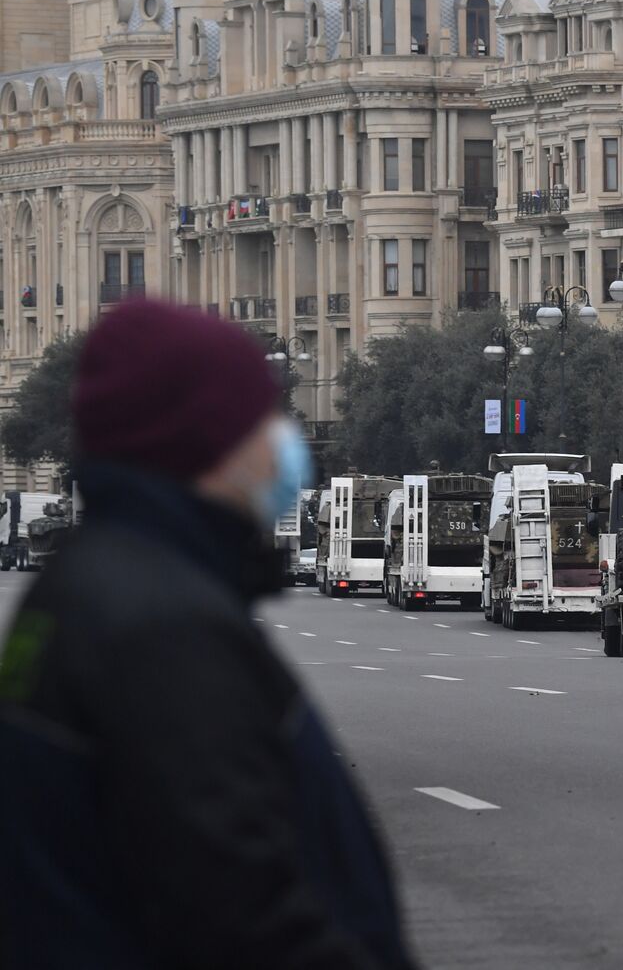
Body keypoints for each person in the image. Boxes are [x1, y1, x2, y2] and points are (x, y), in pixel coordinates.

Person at [0, 300, 418, 969]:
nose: (282, 443)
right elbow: (239, 910)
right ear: (206, 444)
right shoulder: (158, 627)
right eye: (262, 420)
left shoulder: (88, 588)